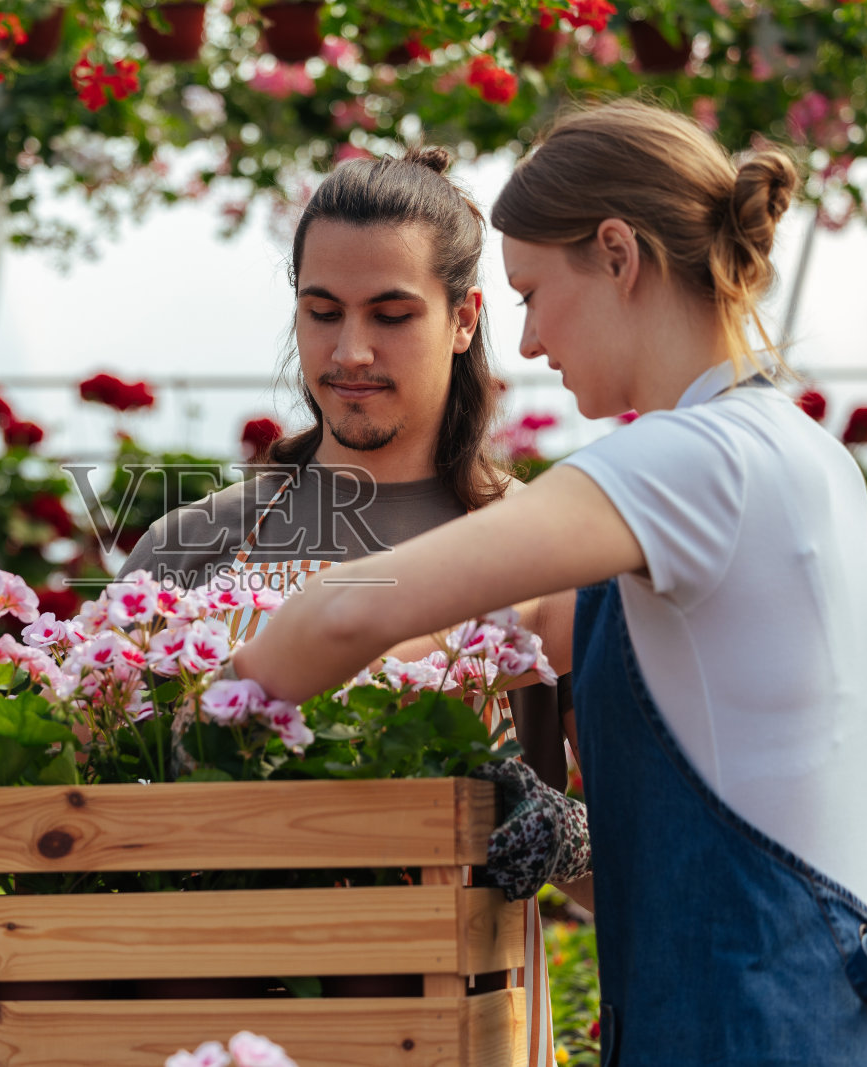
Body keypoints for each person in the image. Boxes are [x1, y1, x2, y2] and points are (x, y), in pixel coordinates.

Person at [230, 99, 867, 1067]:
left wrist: (205, 700)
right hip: (813, 1017)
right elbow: (518, 624)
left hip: (752, 1034)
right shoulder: (794, 451)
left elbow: (358, 605)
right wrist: (551, 830)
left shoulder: (696, 461)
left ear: (617, 254)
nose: (526, 345)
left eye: (529, 292)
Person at [117, 145, 579, 1067]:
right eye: (321, 312)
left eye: (391, 314)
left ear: (463, 319)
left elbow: (619, 865)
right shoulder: (192, 547)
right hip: (217, 1024)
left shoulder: (539, 552)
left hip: (450, 1028)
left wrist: (559, 837)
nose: (349, 350)